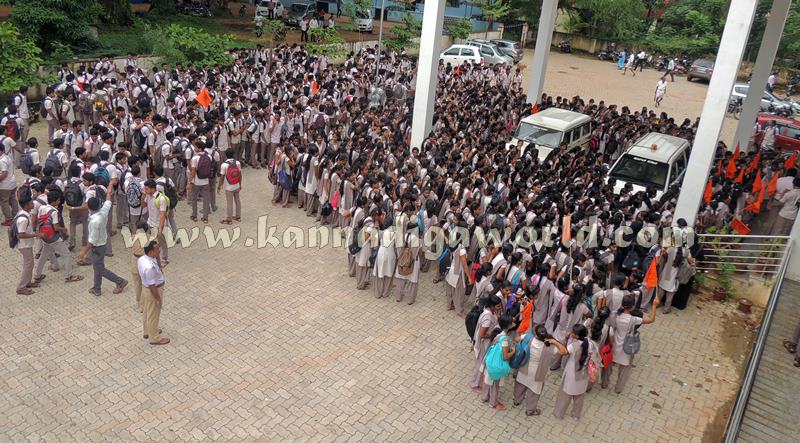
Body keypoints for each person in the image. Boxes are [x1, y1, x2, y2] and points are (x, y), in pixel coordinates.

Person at [604, 294, 658, 393]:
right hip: (627, 347)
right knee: (624, 370)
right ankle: (618, 388)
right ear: (632, 306)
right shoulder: (634, 320)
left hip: (615, 343)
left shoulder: (615, 315)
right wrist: (654, 305)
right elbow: (651, 319)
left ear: (622, 304)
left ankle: (604, 383)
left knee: (609, 365)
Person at [76, 197, 128, 296]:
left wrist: (83, 252)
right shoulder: (103, 211)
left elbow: (92, 240)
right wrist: (111, 185)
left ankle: (120, 281)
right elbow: (108, 200)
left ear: (89, 207)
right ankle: (97, 288)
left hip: (97, 248)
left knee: (99, 269)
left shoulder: (94, 221)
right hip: (102, 244)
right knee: (97, 267)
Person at [33, 189, 84, 284]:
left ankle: (37, 275)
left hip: (45, 236)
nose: (59, 201)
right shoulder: (54, 212)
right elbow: (56, 227)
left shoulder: (42, 208)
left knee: (43, 256)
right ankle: (69, 276)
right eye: (58, 200)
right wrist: (64, 230)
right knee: (67, 254)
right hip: (54, 238)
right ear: (54, 201)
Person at [513, 324, 556, 416]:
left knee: (520, 385)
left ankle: (517, 401)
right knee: (534, 392)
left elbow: (516, 339)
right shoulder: (549, 347)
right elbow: (563, 351)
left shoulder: (528, 337)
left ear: (536, 334)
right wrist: (554, 342)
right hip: (538, 372)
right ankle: (530, 410)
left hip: (524, 367)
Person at [552, 324, 593, 420]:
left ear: (577, 336)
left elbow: (562, 352)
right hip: (583, 374)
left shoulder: (573, 346)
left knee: (565, 396)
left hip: (571, 375)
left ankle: (559, 413)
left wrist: (563, 340)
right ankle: (576, 415)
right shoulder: (590, 344)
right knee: (579, 396)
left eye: (573, 332)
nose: (571, 332)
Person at [480, 314, 515, 410]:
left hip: (489, 361)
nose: (513, 323)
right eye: (512, 323)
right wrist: (513, 351)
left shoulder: (497, 330)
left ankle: (484, 397)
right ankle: (493, 403)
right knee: (495, 384)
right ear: (508, 326)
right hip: (496, 365)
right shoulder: (505, 339)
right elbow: (505, 356)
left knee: (487, 380)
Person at [138, 240, 170, 345]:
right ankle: (154, 338)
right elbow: (152, 285)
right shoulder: (149, 267)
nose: (159, 250)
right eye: (157, 249)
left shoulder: (142, 258)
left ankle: (148, 331)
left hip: (145, 289)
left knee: (148, 311)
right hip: (153, 290)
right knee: (154, 313)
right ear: (151, 252)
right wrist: (157, 298)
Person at [469, 295, 502, 391]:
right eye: (498, 306)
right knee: (480, 363)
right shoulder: (488, 318)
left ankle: (478, 380)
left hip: (487, 343)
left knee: (482, 362)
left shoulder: (490, 311)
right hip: (484, 344)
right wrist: (493, 335)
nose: (500, 308)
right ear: (492, 306)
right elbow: (482, 335)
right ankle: (474, 383)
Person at [13, 197, 40, 295]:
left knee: (30, 264)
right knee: (28, 265)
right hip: (24, 245)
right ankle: (21, 287)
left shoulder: (23, 214)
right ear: (26, 205)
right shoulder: (23, 219)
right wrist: (36, 235)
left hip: (26, 244)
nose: (33, 204)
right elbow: (20, 234)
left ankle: (27, 283)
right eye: (31, 203)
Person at [143, 180, 170, 264]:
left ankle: (164, 258)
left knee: (162, 242)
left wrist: (160, 229)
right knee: (149, 241)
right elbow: (143, 206)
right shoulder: (148, 196)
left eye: (147, 189)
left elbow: (162, 215)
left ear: (153, 189)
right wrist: (143, 196)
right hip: (150, 223)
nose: (145, 190)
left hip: (158, 225)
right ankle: (152, 256)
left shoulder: (161, 199)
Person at [219, 148, 243, 223]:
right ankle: (238, 216)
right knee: (237, 200)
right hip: (236, 185)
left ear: (226, 155)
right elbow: (240, 175)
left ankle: (229, 219)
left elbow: (222, 177)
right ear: (234, 155)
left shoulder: (224, 165)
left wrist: (219, 186)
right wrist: (240, 184)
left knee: (229, 202)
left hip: (228, 186)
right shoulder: (238, 163)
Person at [0, 141, 18, 226]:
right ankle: (16, 214)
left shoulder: (2, 160)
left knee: (4, 202)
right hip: (12, 182)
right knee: (13, 200)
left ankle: (8, 219)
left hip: (5, 185)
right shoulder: (7, 157)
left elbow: (4, 173)